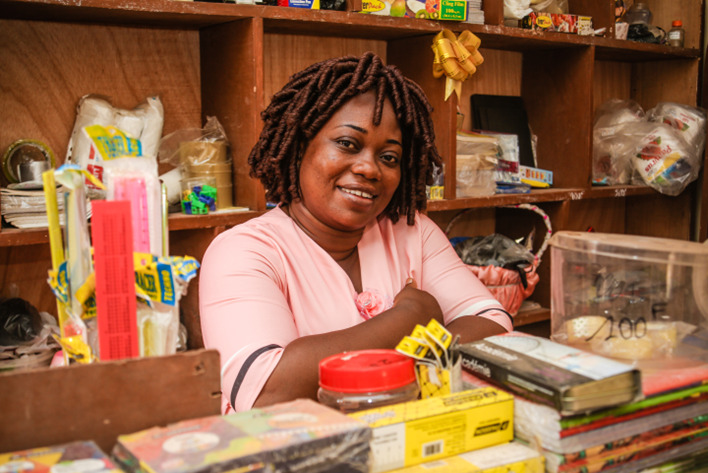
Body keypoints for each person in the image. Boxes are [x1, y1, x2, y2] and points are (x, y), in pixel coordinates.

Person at [199, 52, 512, 413]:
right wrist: (410, 317)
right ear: (302, 146)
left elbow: (494, 327)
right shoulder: (242, 251)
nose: (369, 168)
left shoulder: (415, 233)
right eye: (347, 144)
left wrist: (364, 366)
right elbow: (268, 392)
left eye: (389, 157)